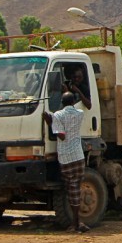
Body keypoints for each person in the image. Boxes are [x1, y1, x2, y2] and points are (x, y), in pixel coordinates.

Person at [43, 92, 89, 233]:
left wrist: (50, 121)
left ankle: (75, 224)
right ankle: (78, 222)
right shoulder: (80, 113)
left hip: (66, 157)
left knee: (71, 189)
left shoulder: (58, 115)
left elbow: (61, 135)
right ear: (74, 101)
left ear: (61, 102)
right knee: (77, 187)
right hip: (78, 155)